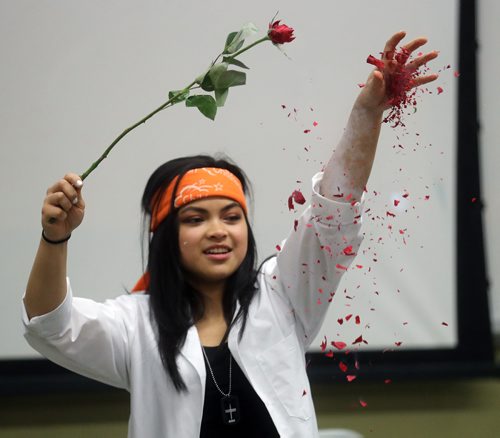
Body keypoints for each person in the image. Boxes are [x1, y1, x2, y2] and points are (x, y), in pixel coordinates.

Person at [23, 32, 438, 438]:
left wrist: (366, 114)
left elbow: (332, 215)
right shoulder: (137, 324)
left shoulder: (281, 295)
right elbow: (51, 325)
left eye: (231, 216)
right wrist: (54, 237)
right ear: (166, 236)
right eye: (195, 219)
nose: (218, 231)